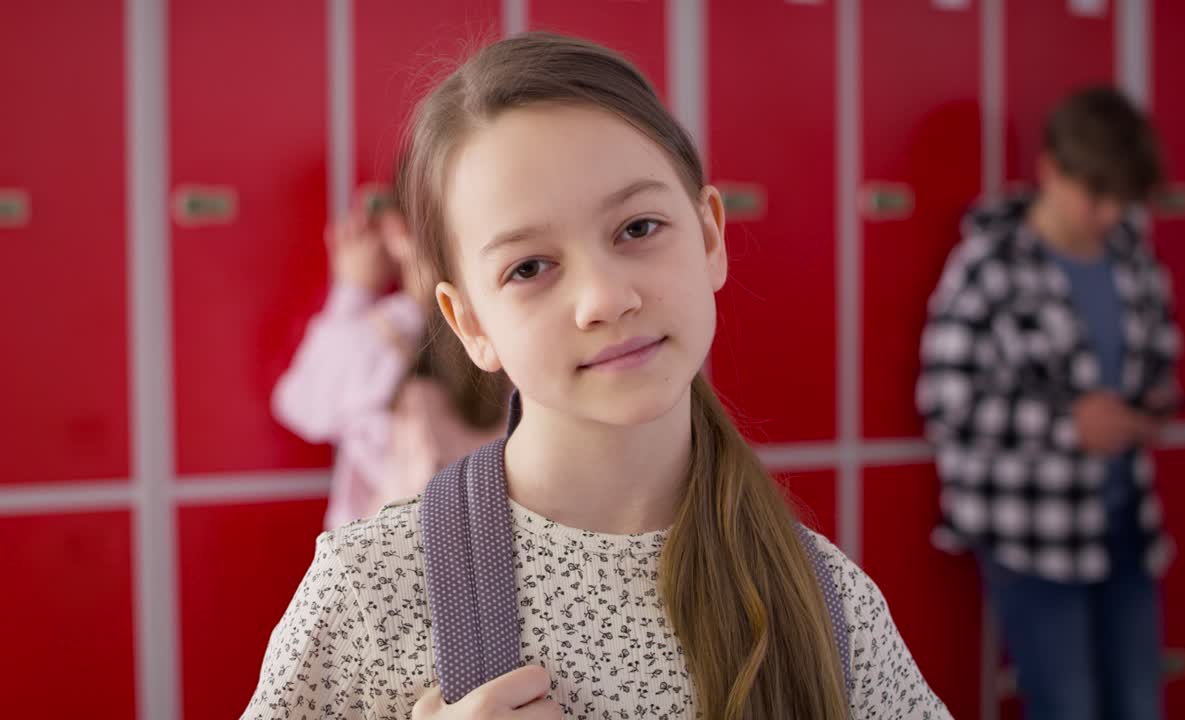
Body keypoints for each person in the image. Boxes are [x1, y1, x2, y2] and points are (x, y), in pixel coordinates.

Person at [244, 32, 949, 719]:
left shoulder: (830, 604)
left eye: (637, 228)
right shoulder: (372, 594)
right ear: (471, 324)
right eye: (529, 267)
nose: (605, 299)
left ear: (709, 236)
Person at [917, 86, 1182, 720]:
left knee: (1140, 703)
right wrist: (1069, 427)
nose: (1110, 214)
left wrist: (1151, 403)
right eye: (1096, 195)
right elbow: (947, 401)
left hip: (1123, 523)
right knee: (1068, 706)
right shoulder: (989, 264)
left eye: (1123, 199)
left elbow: (1158, 351)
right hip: (1032, 534)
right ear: (1051, 171)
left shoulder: (1131, 258)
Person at [272, 176, 506, 529]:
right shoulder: (503, 330)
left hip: (387, 555)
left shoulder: (382, 334)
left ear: (396, 230)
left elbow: (300, 405)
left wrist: (352, 290)